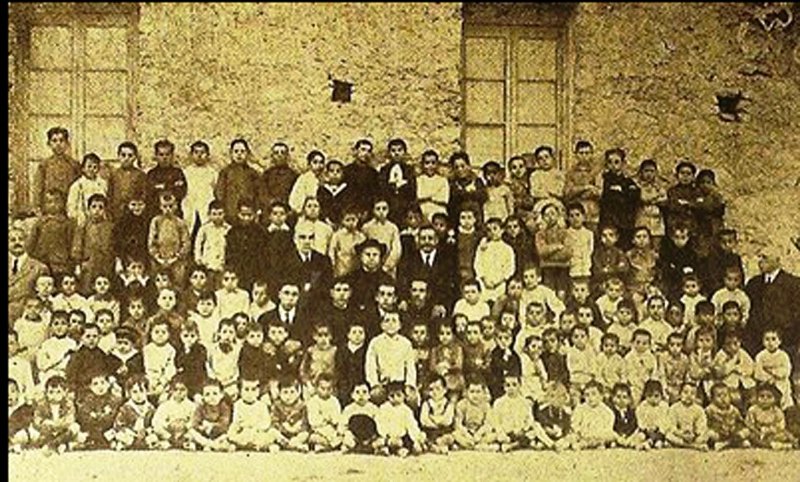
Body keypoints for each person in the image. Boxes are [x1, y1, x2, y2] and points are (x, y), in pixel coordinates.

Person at [744, 247, 800, 355]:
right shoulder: (753, 284)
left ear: (777, 260)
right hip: (756, 342)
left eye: (765, 257)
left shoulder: (793, 284)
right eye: (759, 257)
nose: (760, 261)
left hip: (786, 342)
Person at [598, 148, 640, 249]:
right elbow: (602, 197)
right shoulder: (603, 180)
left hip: (624, 223)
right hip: (608, 221)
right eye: (610, 162)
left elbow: (634, 198)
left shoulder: (628, 182)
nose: (613, 165)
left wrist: (621, 194)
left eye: (617, 162)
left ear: (623, 163)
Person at [31, 376, 82, 452]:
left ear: (65, 392)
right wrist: (46, 422)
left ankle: (55, 444)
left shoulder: (68, 404)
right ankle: (60, 445)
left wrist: (61, 423)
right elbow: (37, 419)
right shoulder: (42, 405)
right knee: (34, 433)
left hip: (63, 430)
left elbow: (70, 418)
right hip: (48, 430)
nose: (54, 395)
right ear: (46, 393)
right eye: (51, 392)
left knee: (75, 427)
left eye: (58, 392)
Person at [35, 126, 80, 212]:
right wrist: (38, 207)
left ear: (67, 143)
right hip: (50, 208)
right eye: (54, 141)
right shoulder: (44, 165)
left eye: (61, 140)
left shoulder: (74, 165)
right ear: (49, 144)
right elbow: (38, 189)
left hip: (69, 207)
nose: (58, 144)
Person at [375, 381, 425, 456]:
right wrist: (386, 435)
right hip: (388, 437)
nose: (395, 398)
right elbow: (380, 423)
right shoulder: (384, 408)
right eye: (392, 396)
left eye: (398, 395)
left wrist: (416, 438)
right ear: (387, 396)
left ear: (404, 396)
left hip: (401, 437)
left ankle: (401, 450)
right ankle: (384, 450)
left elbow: (412, 425)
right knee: (380, 442)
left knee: (407, 443)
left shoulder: (406, 410)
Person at [474, 218, 515, 304]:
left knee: (499, 302)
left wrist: (499, 281)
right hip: (484, 283)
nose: (492, 232)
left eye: (495, 228)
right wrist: (484, 279)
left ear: (502, 230)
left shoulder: (507, 249)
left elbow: (510, 268)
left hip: (500, 284)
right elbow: (478, 264)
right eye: (489, 230)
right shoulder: (482, 247)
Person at [76, 373, 123, 449]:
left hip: (107, 428)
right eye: (95, 384)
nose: (100, 386)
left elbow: (113, 416)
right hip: (92, 429)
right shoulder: (87, 400)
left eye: (102, 382)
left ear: (108, 384)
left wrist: (101, 415)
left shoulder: (113, 400)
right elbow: (85, 416)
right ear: (90, 387)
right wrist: (97, 415)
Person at [182, 141, 218, 236]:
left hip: (205, 206)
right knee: (189, 231)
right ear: (191, 155)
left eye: (202, 152)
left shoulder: (212, 173)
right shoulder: (186, 172)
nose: (199, 155)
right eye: (196, 152)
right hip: (190, 207)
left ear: (208, 155)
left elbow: (216, 190)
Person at [146, 140, 187, 220]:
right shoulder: (151, 174)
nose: (164, 158)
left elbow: (181, 192)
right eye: (161, 155)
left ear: (172, 155)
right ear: (156, 156)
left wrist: (162, 187)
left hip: (174, 213)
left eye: (167, 154)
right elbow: (150, 193)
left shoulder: (178, 173)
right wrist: (172, 186)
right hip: (156, 213)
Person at [151, 378, 196, 449]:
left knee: (194, 432)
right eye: (175, 389)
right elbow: (156, 421)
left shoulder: (192, 406)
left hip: (185, 432)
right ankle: (169, 442)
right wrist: (168, 425)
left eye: (182, 390)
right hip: (169, 432)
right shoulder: (165, 405)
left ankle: (185, 443)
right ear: (171, 391)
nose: (179, 392)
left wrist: (185, 426)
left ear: (187, 390)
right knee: (157, 429)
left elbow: (195, 420)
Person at [754, 329, 794, 409]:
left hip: (781, 382)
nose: (770, 342)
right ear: (763, 342)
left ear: (779, 341)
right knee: (765, 395)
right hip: (765, 383)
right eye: (767, 339)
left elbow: (786, 371)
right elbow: (758, 372)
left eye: (773, 339)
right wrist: (768, 379)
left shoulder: (783, 355)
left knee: (784, 398)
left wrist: (773, 372)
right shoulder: (760, 356)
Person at [108, 142, 148, 221]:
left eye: (130, 155)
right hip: (117, 213)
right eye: (123, 155)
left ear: (135, 157)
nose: (126, 158)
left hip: (134, 214)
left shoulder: (140, 175)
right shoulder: (114, 174)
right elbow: (110, 194)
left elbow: (144, 194)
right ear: (118, 156)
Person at [269, 376, 310, 452]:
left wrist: (298, 426)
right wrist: (283, 426)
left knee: (305, 434)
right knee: (272, 431)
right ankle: (284, 443)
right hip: (283, 433)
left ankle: (296, 442)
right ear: (279, 393)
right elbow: (274, 422)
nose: (289, 396)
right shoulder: (277, 406)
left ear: (298, 393)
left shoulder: (302, 406)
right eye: (285, 392)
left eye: (292, 392)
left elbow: (305, 422)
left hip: (297, 432)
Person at [67, 153, 108, 227]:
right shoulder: (77, 185)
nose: (92, 169)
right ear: (83, 168)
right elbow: (71, 208)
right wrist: (78, 219)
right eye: (89, 166)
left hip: (99, 221)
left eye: (95, 167)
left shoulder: (102, 184)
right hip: (83, 222)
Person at [258, 142, 298, 217]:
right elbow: (262, 193)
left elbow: (296, 195)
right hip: (270, 211)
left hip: (287, 211)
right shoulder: (266, 175)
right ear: (272, 156)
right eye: (276, 153)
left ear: (287, 156)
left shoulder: (294, 175)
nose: (279, 155)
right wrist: (271, 203)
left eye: (282, 153)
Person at [665, 382, 709, 450]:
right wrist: (681, 434)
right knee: (669, 436)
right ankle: (693, 446)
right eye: (685, 392)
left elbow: (701, 425)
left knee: (705, 436)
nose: (689, 396)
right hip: (679, 434)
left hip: (693, 435)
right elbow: (672, 426)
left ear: (696, 396)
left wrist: (695, 434)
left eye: (692, 393)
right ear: (680, 394)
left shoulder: (699, 410)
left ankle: (684, 445)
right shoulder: (674, 408)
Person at [705, 383, 749, 450]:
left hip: (732, 433)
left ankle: (728, 443)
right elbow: (705, 424)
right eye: (719, 396)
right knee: (709, 434)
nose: (723, 399)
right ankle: (724, 443)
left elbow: (741, 423)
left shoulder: (734, 410)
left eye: (725, 395)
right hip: (718, 434)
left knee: (746, 431)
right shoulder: (709, 410)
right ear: (712, 399)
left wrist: (739, 431)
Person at [448, 152, 487, 225]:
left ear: (468, 166)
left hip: (475, 219)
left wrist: (469, 193)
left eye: (463, 166)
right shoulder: (452, 184)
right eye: (456, 167)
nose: (460, 169)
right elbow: (452, 201)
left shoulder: (477, 181)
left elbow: (483, 196)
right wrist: (467, 192)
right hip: (458, 220)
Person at [306, 374, 342, 452]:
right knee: (313, 437)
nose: (325, 391)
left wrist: (332, 420)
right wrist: (325, 419)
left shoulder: (334, 401)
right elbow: (313, 421)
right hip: (318, 429)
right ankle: (328, 445)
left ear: (333, 389)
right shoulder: (313, 401)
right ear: (316, 388)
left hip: (332, 428)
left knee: (340, 435)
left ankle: (328, 445)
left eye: (329, 389)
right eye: (322, 388)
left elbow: (337, 418)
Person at [317, 159, 356, 227]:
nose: (335, 173)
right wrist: (326, 220)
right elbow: (321, 207)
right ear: (327, 174)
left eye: (338, 171)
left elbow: (349, 206)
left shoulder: (347, 189)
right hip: (326, 222)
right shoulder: (322, 190)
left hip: (344, 223)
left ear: (342, 174)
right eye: (332, 171)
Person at [416, 149, 450, 223]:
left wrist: (427, 197)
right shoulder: (419, 180)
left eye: (433, 163)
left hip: (439, 212)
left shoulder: (443, 180)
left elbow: (444, 199)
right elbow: (419, 195)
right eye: (427, 163)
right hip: (423, 212)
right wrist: (434, 195)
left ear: (437, 164)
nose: (430, 166)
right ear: (423, 165)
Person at [636, 380, 670, 448]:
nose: (653, 399)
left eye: (656, 396)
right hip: (646, 430)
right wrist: (645, 427)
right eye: (649, 396)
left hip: (658, 430)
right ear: (645, 395)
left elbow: (665, 420)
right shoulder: (643, 406)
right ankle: (649, 441)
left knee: (664, 435)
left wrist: (657, 427)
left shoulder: (663, 406)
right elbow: (639, 419)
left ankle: (654, 441)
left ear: (661, 395)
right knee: (641, 436)